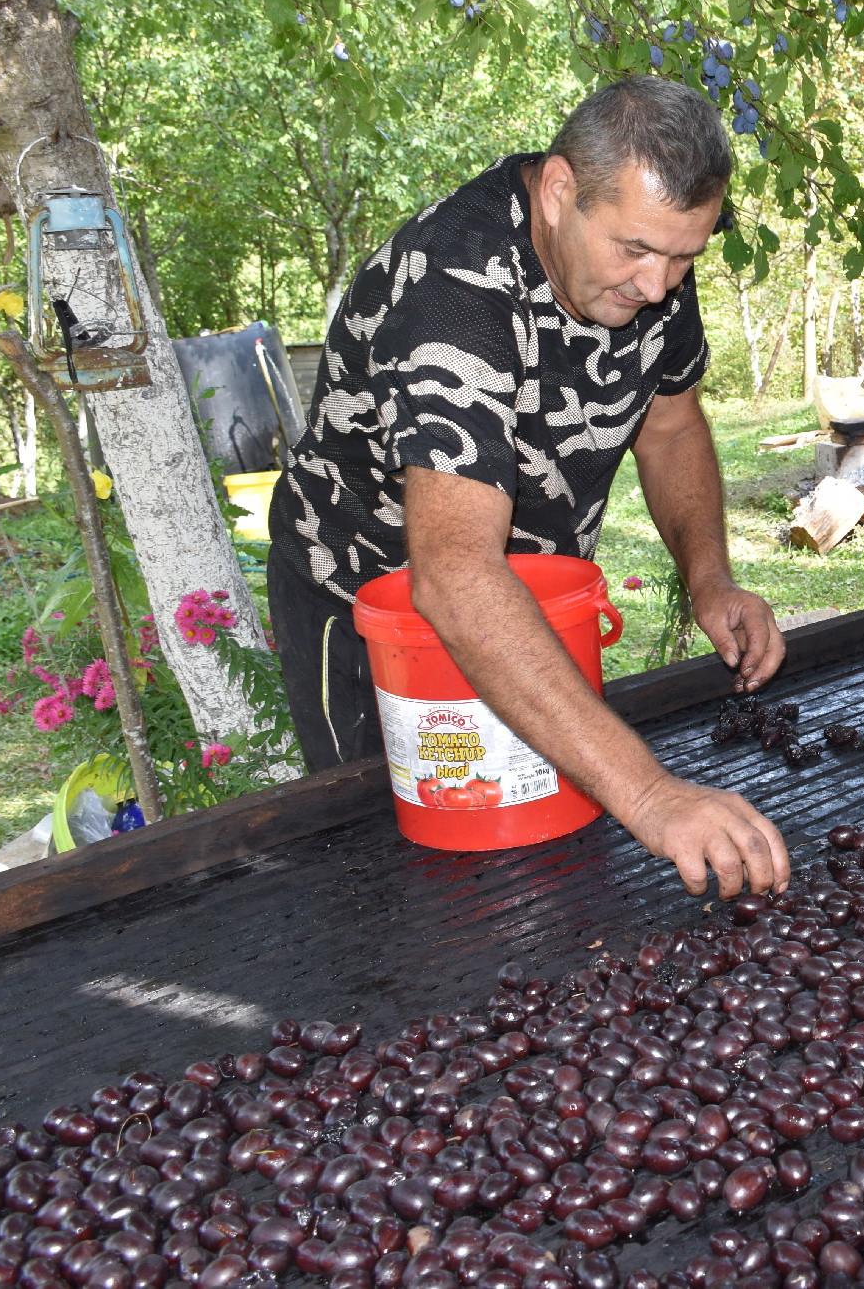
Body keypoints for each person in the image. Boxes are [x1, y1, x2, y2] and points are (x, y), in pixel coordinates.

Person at [267, 77, 789, 899]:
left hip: (527, 602)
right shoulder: (455, 296)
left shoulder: (649, 275)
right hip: (375, 613)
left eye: (684, 256)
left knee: (550, 855)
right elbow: (456, 575)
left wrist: (710, 578)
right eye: (636, 250)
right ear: (557, 191)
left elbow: (671, 426)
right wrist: (653, 797)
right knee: (412, 877)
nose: (658, 286)